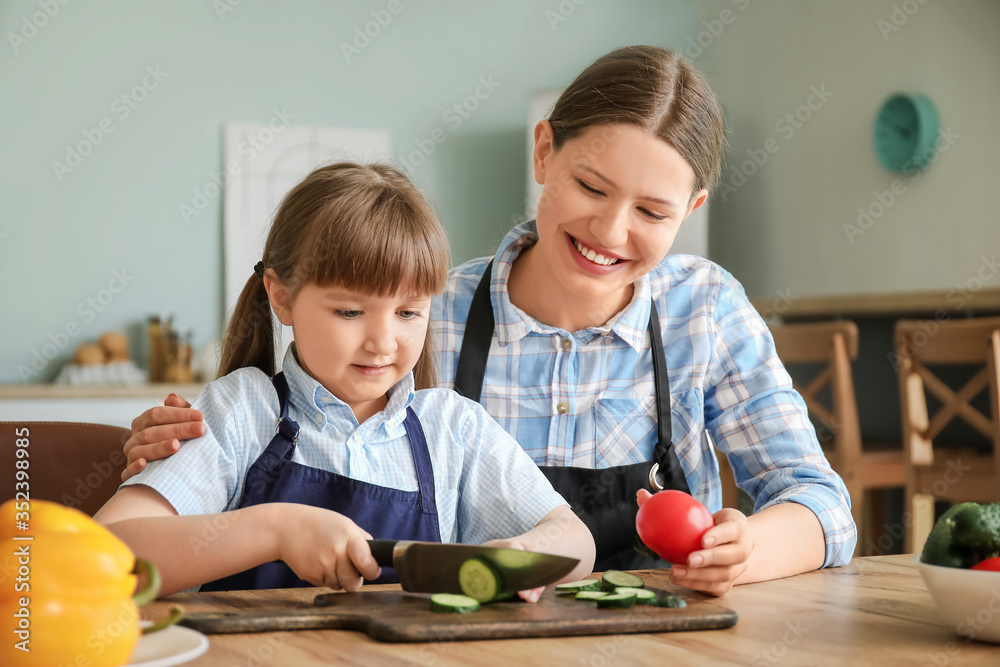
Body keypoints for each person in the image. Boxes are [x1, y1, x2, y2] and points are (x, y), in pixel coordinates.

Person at [119, 46, 856, 596]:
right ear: (544, 151)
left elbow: (822, 503)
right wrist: (196, 452)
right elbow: (135, 539)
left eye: (654, 211)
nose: (612, 229)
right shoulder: (424, 314)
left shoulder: (707, 310)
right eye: (591, 186)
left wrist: (743, 547)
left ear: (690, 212)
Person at [94, 162, 595, 598]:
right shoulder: (240, 412)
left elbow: (576, 541)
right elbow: (103, 556)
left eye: (408, 312)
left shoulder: (454, 429)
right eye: (351, 311)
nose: (383, 341)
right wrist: (274, 528)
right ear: (282, 297)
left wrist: (523, 553)